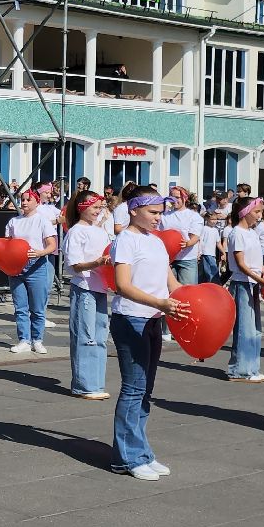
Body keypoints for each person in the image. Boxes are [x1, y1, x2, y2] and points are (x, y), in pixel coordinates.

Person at [110, 185, 190, 481]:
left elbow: (172, 283)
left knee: (145, 390)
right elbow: (123, 285)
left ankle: (140, 451)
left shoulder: (156, 241)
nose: (159, 217)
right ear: (134, 211)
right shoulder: (125, 240)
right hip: (131, 319)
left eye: (161, 212)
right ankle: (127, 458)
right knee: (133, 389)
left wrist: (195, 299)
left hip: (154, 319)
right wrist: (159, 303)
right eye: (153, 212)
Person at [61, 191, 112, 400]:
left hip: (100, 287)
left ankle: (96, 383)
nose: (99, 211)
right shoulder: (76, 232)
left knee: (100, 335)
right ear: (82, 208)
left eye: (100, 207)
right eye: (95, 207)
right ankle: (84, 385)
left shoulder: (100, 231)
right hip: (84, 287)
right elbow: (75, 264)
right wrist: (97, 262)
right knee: (86, 335)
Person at [4, 188, 58, 354]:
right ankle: (24, 340)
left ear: (37, 202)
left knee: (38, 308)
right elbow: (7, 244)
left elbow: (52, 245)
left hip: (37, 266)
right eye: (22, 199)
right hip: (17, 268)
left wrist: (40, 252)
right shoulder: (14, 221)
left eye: (28, 199)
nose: (24, 202)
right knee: (20, 307)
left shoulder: (42, 221)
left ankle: (37, 340)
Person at [225, 197, 264, 384]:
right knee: (244, 328)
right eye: (256, 212)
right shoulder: (237, 233)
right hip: (242, 283)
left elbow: (256, 262)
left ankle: (252, 368)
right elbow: (241, 263)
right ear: (244, 213)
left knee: (255, 329)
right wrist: (260, 279)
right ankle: (239, 370)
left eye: (261, 212)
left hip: (253, 282)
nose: (259, 216)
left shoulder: (252, 233)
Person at [162, 186, 205, 284]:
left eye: (177, 197)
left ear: (185, 198)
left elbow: (195, 236)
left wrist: (188, 243)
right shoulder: (165, 215)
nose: (174, 200)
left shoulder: (194, 216)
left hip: (187, 259)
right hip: (168, 260)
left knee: (188, 289)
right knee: (169, 289)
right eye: (171, 197)